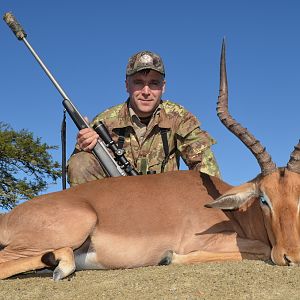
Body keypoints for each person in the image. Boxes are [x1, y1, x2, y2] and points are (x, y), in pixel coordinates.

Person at [67, 50, 220, 186]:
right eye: (138, 82)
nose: (146, 91)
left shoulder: (180, 117)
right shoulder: (104, 121)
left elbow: (206, 166)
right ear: (127, 85)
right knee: (80, 162)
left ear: (163, 86)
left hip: (165, 202)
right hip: (117, 202)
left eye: (154, 83)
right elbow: (75, 166)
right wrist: (85, 144)